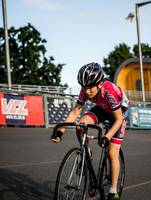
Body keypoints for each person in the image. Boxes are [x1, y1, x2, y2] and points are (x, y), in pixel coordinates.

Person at [51, 62, 129, 200]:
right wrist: (60, 131)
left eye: (89, 88)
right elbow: (75, 112)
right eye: (84, 87)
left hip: (119, 113)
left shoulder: (109, 91)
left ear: (99, 84)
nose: (86, 91)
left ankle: (113, 191)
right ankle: (87, 150)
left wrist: (107, 136)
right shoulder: (86, 89)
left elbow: (118, 120)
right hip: (103, 109)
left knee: (112, 152)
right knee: (80, 125)